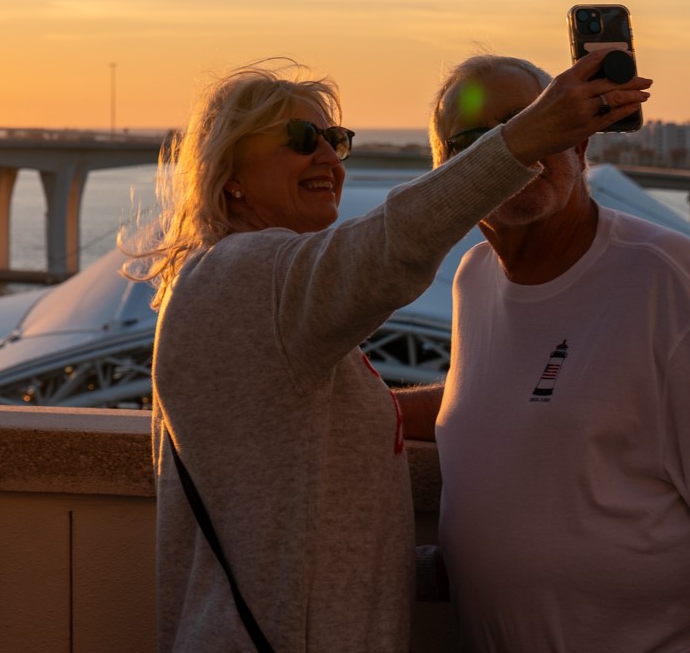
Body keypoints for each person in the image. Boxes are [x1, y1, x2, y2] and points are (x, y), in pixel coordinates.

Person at [126, 53, 647, 653]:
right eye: (300, 138)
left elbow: (300, 532)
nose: (326, 157)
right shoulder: (244, 276)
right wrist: (527, 135)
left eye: (335, 140)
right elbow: (391, 246)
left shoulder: (268, 304)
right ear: (230, 174)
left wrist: (464, 565)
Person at [393, 55, 690, 651]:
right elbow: (503, 395)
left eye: (535, 122)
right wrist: (365, 409)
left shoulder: (665, 280)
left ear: (579, 145)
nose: (518, 150)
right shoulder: (473, 277)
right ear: (449, 175)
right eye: (480, 142)